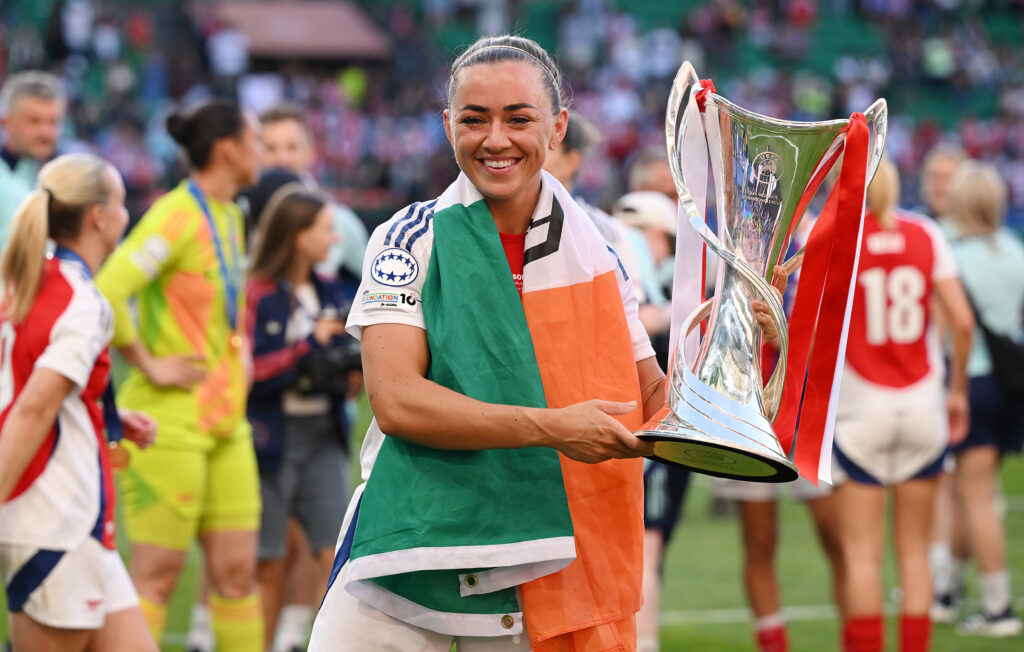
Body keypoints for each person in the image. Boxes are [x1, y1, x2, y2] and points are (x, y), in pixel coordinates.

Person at [95, 99, 265, 652]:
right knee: (158, 577)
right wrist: (146, 361)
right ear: (228, 150)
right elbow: (108, 290)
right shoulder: (176, 213)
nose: (261, 151)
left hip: (227, 421)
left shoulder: (233, 213)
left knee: (238, 575)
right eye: (256, 140)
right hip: (167, 421)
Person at [0, 153, 157, 652]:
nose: (126, 214)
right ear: (98, 216)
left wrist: (104, 415)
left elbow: (25, 383)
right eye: (122, 202)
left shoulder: (24, 282)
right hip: (56, 521)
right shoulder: (81, 299)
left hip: (74, 524)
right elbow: (33, 407)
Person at [831, 158, 974, 652]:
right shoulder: (926, 233)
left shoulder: (835, 236)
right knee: (915, 552)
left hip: (858, 409)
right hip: (921, 405)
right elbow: (963, 322)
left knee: (862, 555)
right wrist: (957, 391)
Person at [246, 187, 353, 650]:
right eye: (325, 229)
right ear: (296, 235)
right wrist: (310, 345)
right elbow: (251, 372)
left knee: (334, 554)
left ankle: (305, 641)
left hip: (324, 435)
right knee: (266, 562)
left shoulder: (332, 290)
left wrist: (347, 369)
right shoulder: (259, 294)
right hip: (271, 438)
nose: (334, 240)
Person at [934, 161, 1024, 637]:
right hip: (1011, 387)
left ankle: (998, 607)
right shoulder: (1016, 253)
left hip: (970, 382)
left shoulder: (952, 256)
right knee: (975, 494)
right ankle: (947, 589)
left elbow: (944, 333)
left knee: (977, 498)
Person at [260, 102, 368, 289]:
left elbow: (374, 285)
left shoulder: (340, 221)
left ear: (311, 152)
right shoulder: (239, 212)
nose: (281, 159)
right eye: (270, 148)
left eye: (292, 147)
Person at [0, 71, 66, 250]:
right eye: (34, 121)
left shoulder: (58, 183)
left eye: (53, 122)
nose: (45, 133)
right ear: (6, 123)